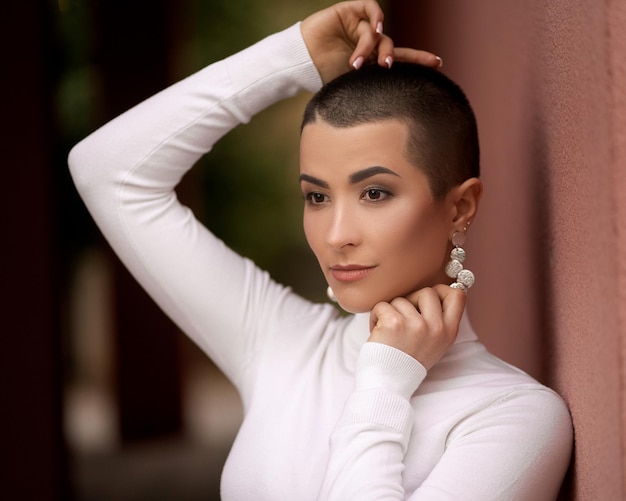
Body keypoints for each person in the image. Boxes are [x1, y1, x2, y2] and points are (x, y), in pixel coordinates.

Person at [68, 1, 573, 499]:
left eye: (375, 193)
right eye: (317, 196)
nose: (335, 235)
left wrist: (384, 382)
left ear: (460, 206)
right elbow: (108, 171)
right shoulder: (283, 346)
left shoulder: (513, 415)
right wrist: (292, 59)